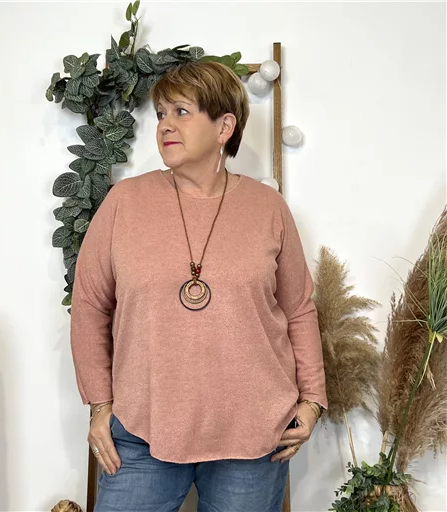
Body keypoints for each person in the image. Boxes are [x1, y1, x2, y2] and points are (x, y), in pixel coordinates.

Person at [70, 60, 328, 512]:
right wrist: (100, 404)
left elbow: (298, 309)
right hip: (142, 430)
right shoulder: (124, 203)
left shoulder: (268, 208)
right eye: (161, 114)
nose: (165, 125)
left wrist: (311, 401)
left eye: (181, 112)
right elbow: (90, 304)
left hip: (254, 436)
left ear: (224, 126)